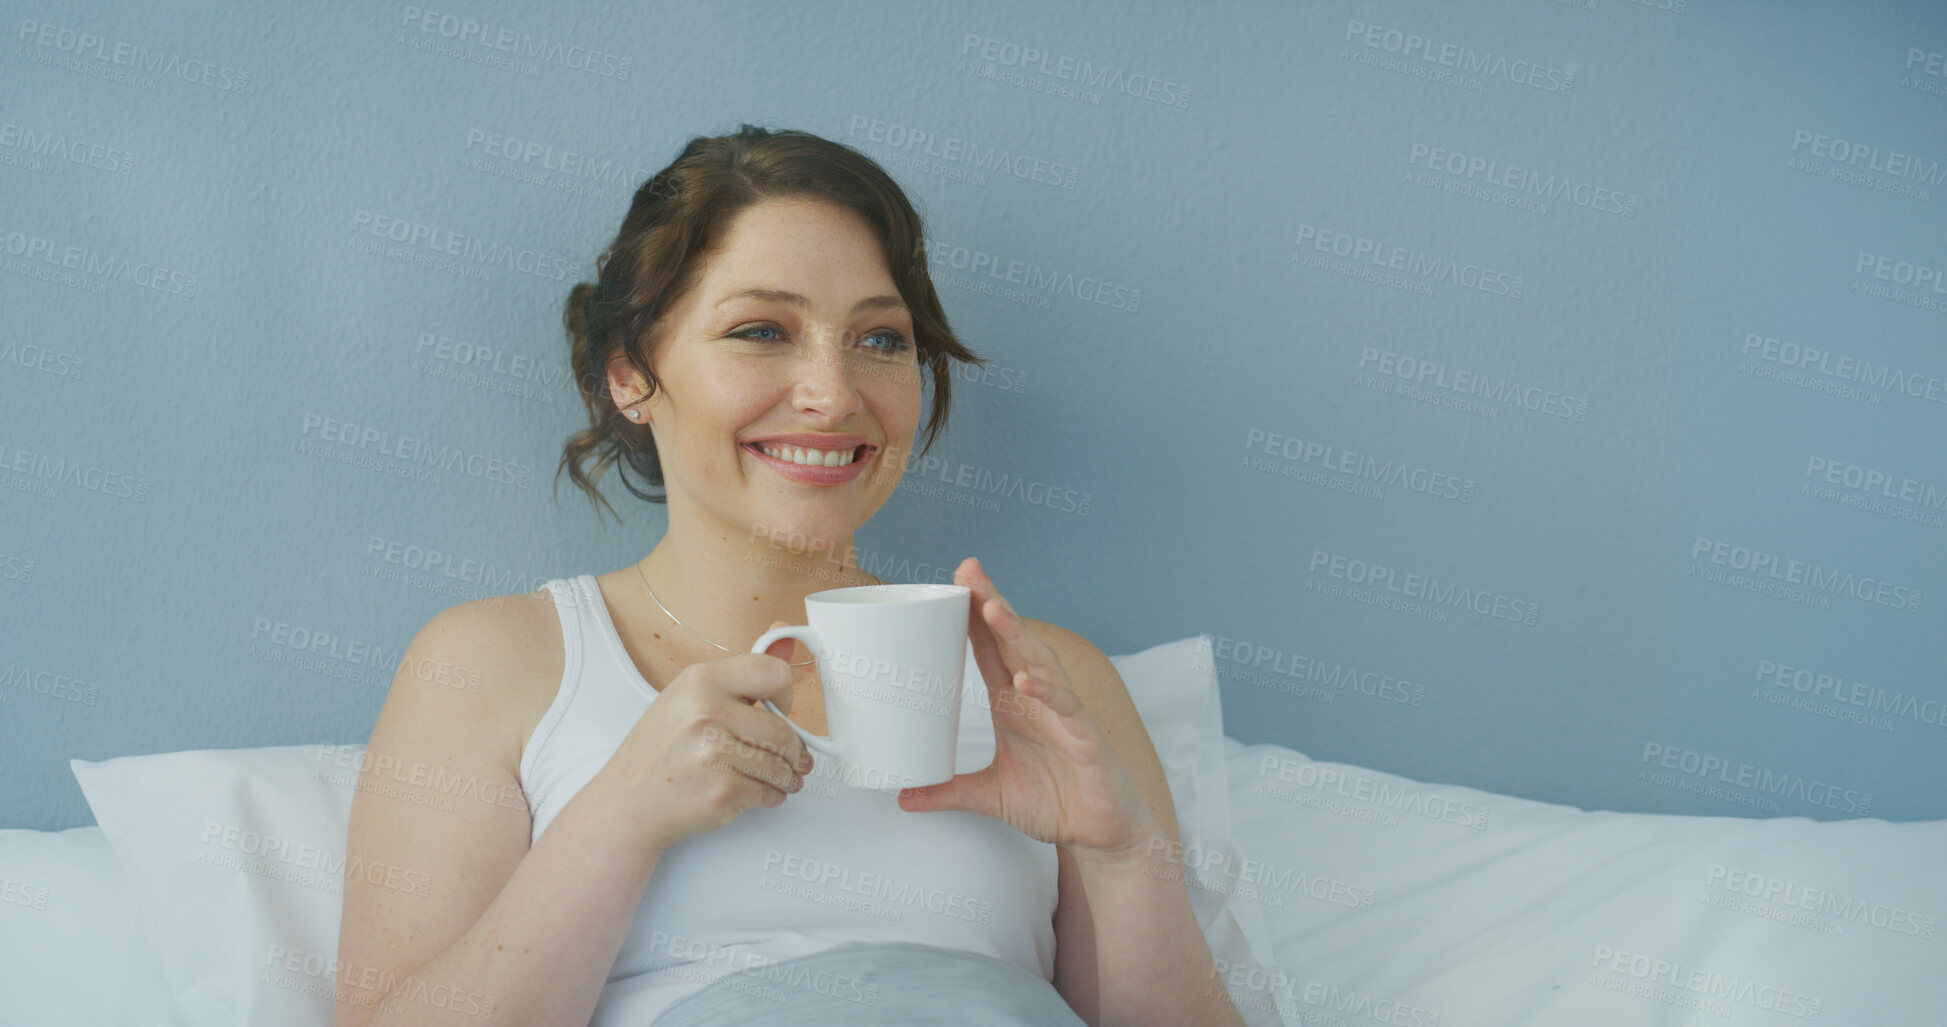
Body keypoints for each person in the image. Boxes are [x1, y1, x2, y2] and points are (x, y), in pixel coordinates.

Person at [333, 124, 1244, 1027]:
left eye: (879, 340)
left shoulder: (1050, 684)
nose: (832, 392)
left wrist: (1124, 859)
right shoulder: (494, 663)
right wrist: (617, 818)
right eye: (761, 330)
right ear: (629, 375)